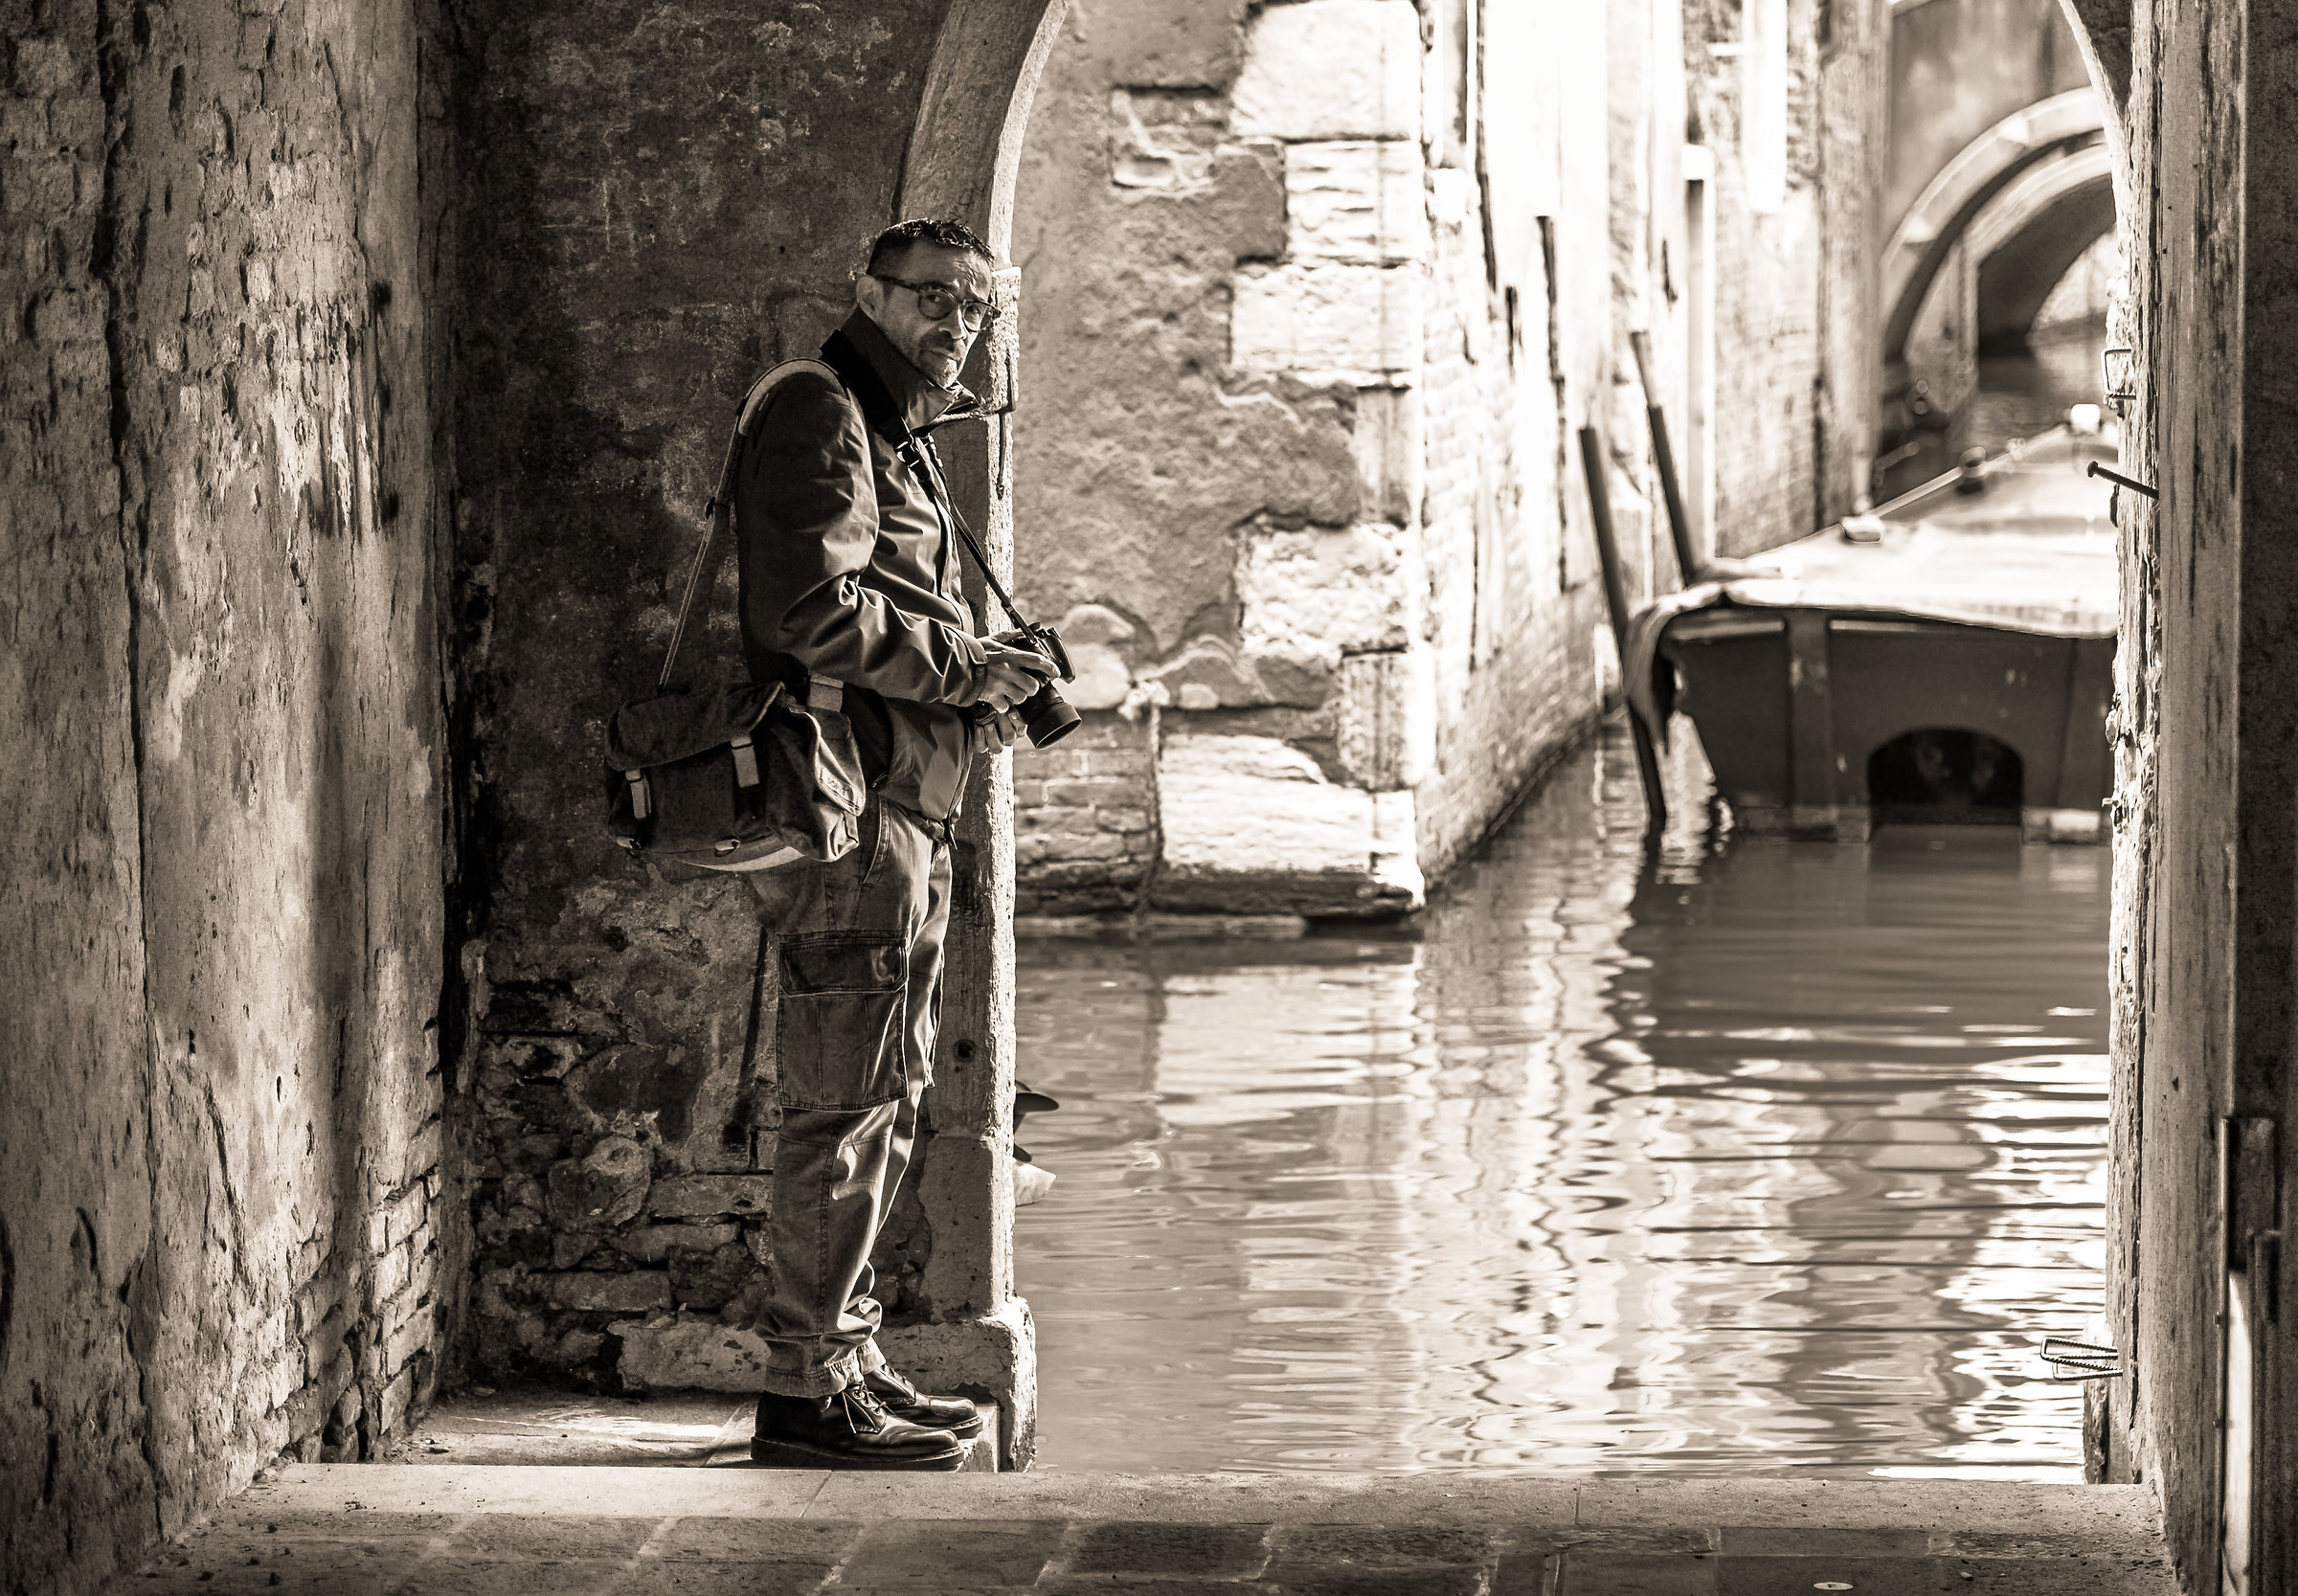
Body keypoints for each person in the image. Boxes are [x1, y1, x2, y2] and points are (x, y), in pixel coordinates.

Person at [733, 217, 1053, 1469]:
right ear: (870, 294)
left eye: (974, 306)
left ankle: (849, 1362)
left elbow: (891, 607)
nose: (954, 323)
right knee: (840, 1105)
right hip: (855, 810)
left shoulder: (898, 432)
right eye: (931, 298)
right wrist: (971, 667)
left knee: (884, 1095)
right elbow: (809, 610)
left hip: (906, 804)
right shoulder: (821, 412)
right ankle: (805, 1393)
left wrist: (984, 684)